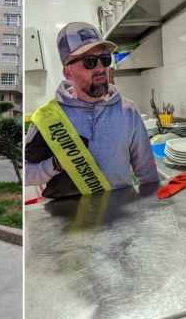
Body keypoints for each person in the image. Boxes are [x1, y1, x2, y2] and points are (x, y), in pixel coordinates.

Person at [25, 22, 158, 199]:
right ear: (67, 72)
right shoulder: (48, 118)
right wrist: (55, 164)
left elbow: (147, 173)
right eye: (89, 62)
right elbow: (26, 174)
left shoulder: (128, 111)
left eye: (105, 59)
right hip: (70, 218)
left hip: (121, 213)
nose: (100, 68)